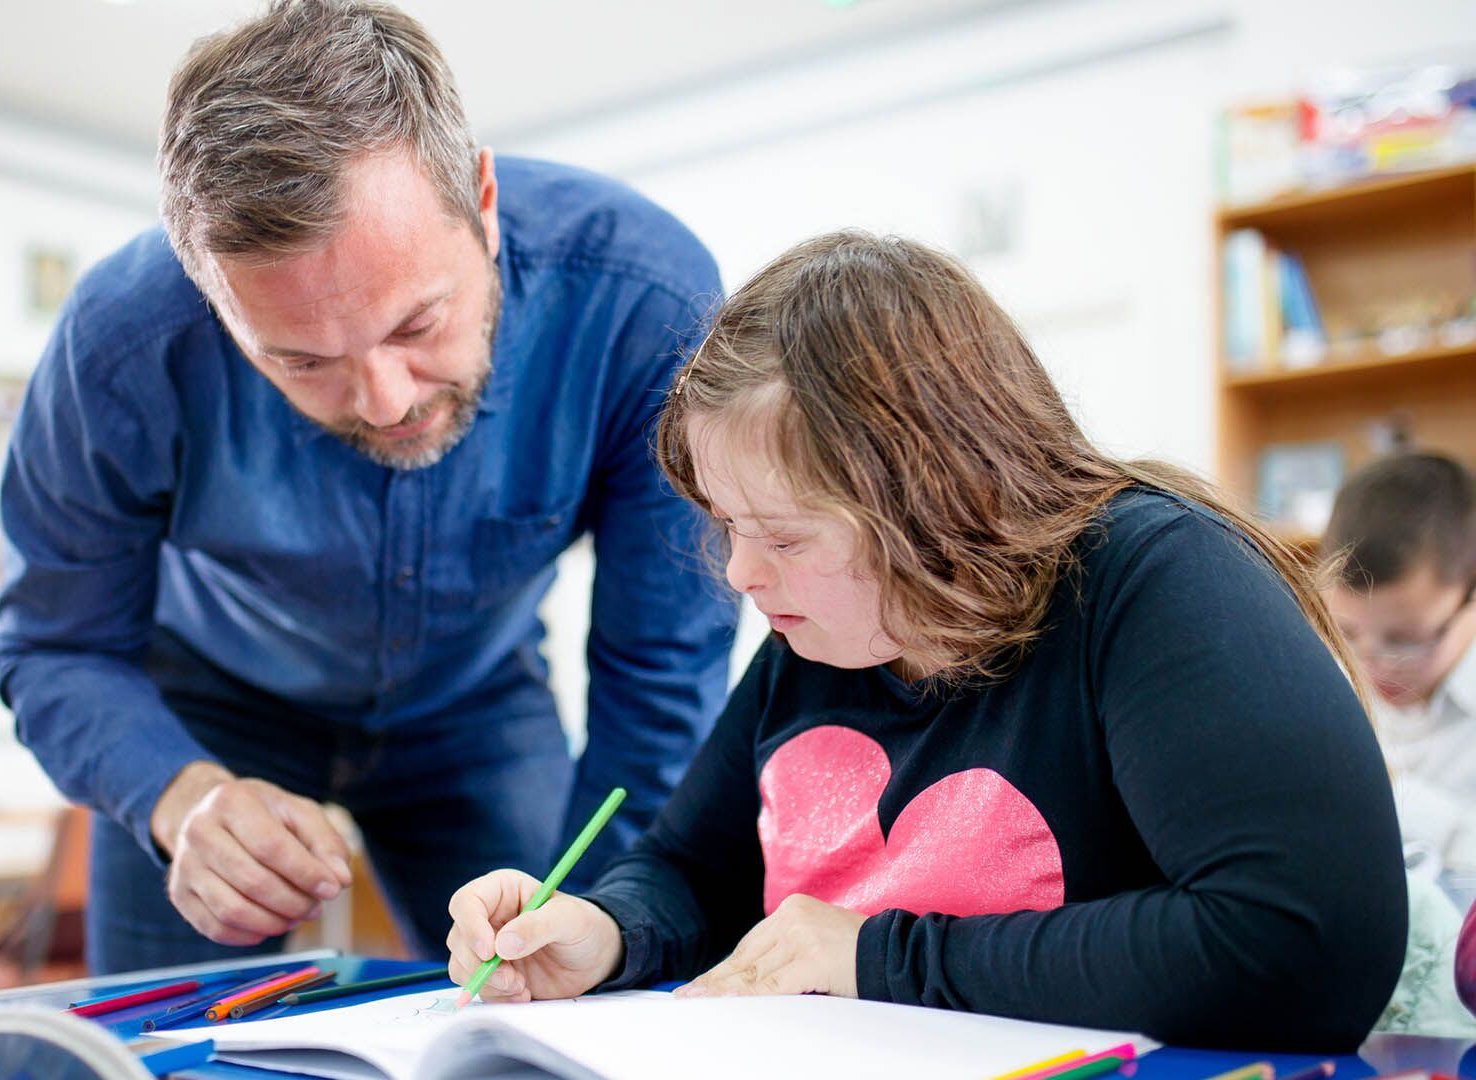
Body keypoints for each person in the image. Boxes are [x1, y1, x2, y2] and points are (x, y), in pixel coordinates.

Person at [443, 231, 1406, 1051]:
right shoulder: (820, 637)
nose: (739, 575)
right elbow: (694, 868)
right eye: (725, 525)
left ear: (942, 499)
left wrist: (870, 956)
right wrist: (606, 929)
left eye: (782, 535)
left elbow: (1300, 945)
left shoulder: (1151, 583)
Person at [0, 0, 738, 974]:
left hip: (477, 705)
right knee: (154, 1050)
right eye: (301, 360)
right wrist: (177, 796)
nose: (383, 402)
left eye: (417, 324)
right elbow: (57, 643)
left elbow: (663, 671)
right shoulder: (120, 344)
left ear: (481, 196)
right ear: (204, 290)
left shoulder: (646, 302)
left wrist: (611, 925)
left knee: (561, 1015)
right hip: (207, 714)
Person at [1321, 453, 1476, 885]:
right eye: (1347, 631)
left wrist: (1384, 791)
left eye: (1405, 640)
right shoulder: (1322, 675)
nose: (1373, 665)